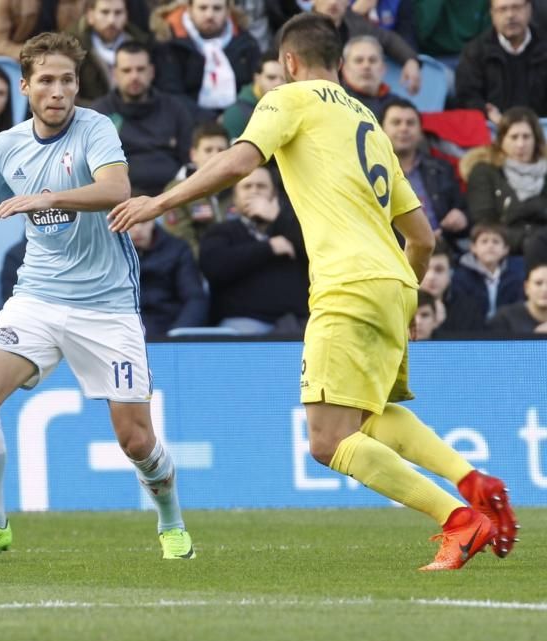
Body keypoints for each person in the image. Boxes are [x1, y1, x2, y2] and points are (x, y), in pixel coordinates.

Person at [109, 12, 519, 570]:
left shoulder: (290, 98)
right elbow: (420, 237)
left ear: (290, 62)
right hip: (394, 281)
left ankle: (458, 518)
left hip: (347, 283)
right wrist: (405, 296)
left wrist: (158, 202)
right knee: (366, 417)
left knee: (327, 441)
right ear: (339, 62)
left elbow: (238, 160)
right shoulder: (369, 123)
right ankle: (473, 481)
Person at [0, 31, 196, 561]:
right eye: (46, 80)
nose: (58, 91)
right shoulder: (8, 146)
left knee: (136, 440)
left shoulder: (96, 129)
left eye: (67, 80)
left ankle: (171, 521)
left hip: (106, 304)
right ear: (25, 86)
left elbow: (117, 190)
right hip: (39, 298)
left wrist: (46, 198)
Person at [198, 166, 309, 334]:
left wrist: (277, 217)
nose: (254, 191)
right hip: (242, 324)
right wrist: (269, 247)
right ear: (235, 197)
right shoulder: (222, 231)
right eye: (247, 186)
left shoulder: (293, 227)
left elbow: (321, 252)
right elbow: (213, 266)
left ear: (275, 195)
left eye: (261, 186)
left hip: (297, 323)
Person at [91, 41, 194, 196]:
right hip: (119, 201)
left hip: (172, 199)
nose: (134, 76)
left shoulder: (175, 108)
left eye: (140, 69)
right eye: (127, 70)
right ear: (115, 74)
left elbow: (190, 158)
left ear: (152, 72)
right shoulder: (98, 114)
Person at [379, 99, 469, 245]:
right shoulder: (369, 172)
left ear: (421, 132)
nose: (404, 128)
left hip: (442, 252)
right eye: (396, 122)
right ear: (381, 130)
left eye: (410, 123)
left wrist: (461, 217)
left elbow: (463, 210)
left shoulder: (442, 168)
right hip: (392, 256)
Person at [153, 0, 263, 118]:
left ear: (227, 11)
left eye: (217, 8)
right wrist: (209, 119)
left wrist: (232, 118)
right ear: (189, 9)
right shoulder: (169, 43)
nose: (209, 15)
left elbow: (254, 88)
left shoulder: (246, 44)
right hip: (188, 122)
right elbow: (171, 94)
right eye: (202, 8)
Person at [464, 106, 547, 255]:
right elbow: (484, 221)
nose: (520, 144)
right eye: (514, 137)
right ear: (501, 140)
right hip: (503, 250)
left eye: (526, 137)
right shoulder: (484, 172)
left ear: (536, 139)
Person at [455, 0, 547, 123]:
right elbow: (467, 97)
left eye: (516, 7)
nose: (510, 15)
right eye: (502, 9)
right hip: (493, 130)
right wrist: (486, 112)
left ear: (529, 9)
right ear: (492, 14)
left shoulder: (544, 48)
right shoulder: (475, 53)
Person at [161, 120, 231, 258]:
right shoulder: (177, 190)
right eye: (208, 150)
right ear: (193, 155)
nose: (215, 155)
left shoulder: (243, 186)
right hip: (199, 269)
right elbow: (182, 242)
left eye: (221, 150)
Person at [127, 217, 208, 335]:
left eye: (143, 222)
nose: (137, 229)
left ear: (153, 221)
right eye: (131, 223)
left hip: (168, 327)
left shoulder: (178, 249)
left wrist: (178, 334)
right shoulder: (111, 252)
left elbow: (194, 298)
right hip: (126, 330)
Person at [68, 0, 152, 105]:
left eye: (118, 13)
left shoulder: (144, 44)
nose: (111, 20)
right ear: (90, 16)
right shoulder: (73, 49)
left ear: (126, 15)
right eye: (105, 12)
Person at [451, 224, 525, 321]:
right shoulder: (461, 277)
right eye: (484, 241)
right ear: (473, 247)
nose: (490, 246)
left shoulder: (515, 278)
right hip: (471, 331)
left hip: (507, 330)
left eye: (496, 242)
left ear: (505, 249)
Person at [418, 239, 486, 335]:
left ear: (450, 274)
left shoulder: (469, 310)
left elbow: (473, 347)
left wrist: (438, 327)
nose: (431, 277)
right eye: (424, 269)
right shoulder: (400, 305)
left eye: (439, 270)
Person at [0, 0, 86, 60]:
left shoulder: (78, 2)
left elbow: (85, 39)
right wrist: (36, 54)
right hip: (20, 63)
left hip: (63, 64)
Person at [220, 51, 285, 140]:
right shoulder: (236, 114)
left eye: (284, 79)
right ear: (257, 78)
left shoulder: (294, 107)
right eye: (271, 77)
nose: (278, 83)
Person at [339, 35, 397, 118]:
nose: (366, 66)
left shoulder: (397, 106)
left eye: (372, 60)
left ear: (383, 68)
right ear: (344, 68)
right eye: (359, 60)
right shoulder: (336, 102)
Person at [488, 261, 547, 332]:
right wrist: (535, 338)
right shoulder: (504, 318)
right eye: (538, 283)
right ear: (526, 287)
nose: (545, 289)